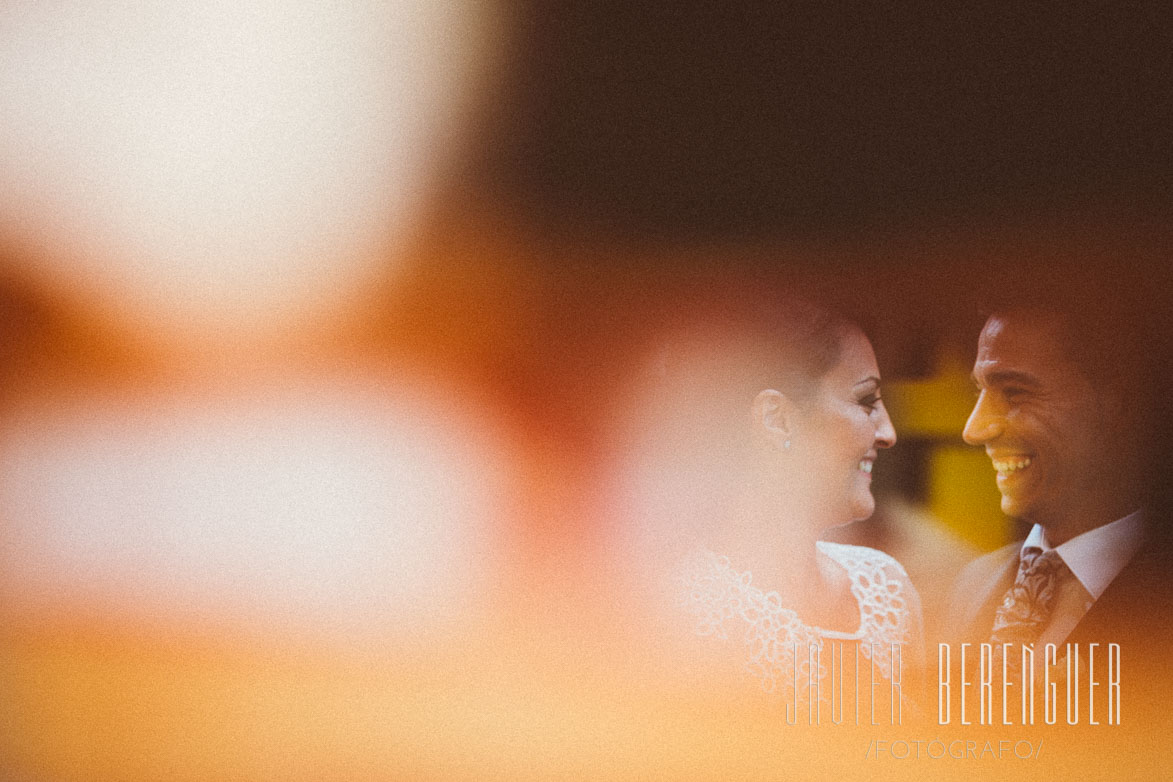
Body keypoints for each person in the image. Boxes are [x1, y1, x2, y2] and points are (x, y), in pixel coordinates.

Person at [613, 291, 923, 704]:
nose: (888, 433)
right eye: (866, 402)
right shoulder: (673, 611)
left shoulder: (886, 589)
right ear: (777, 420)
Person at [946, 301, 1173, 701]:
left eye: (1014, 392)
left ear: (1118, 400)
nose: (974, 429)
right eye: (980, 391)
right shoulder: (972, 585)